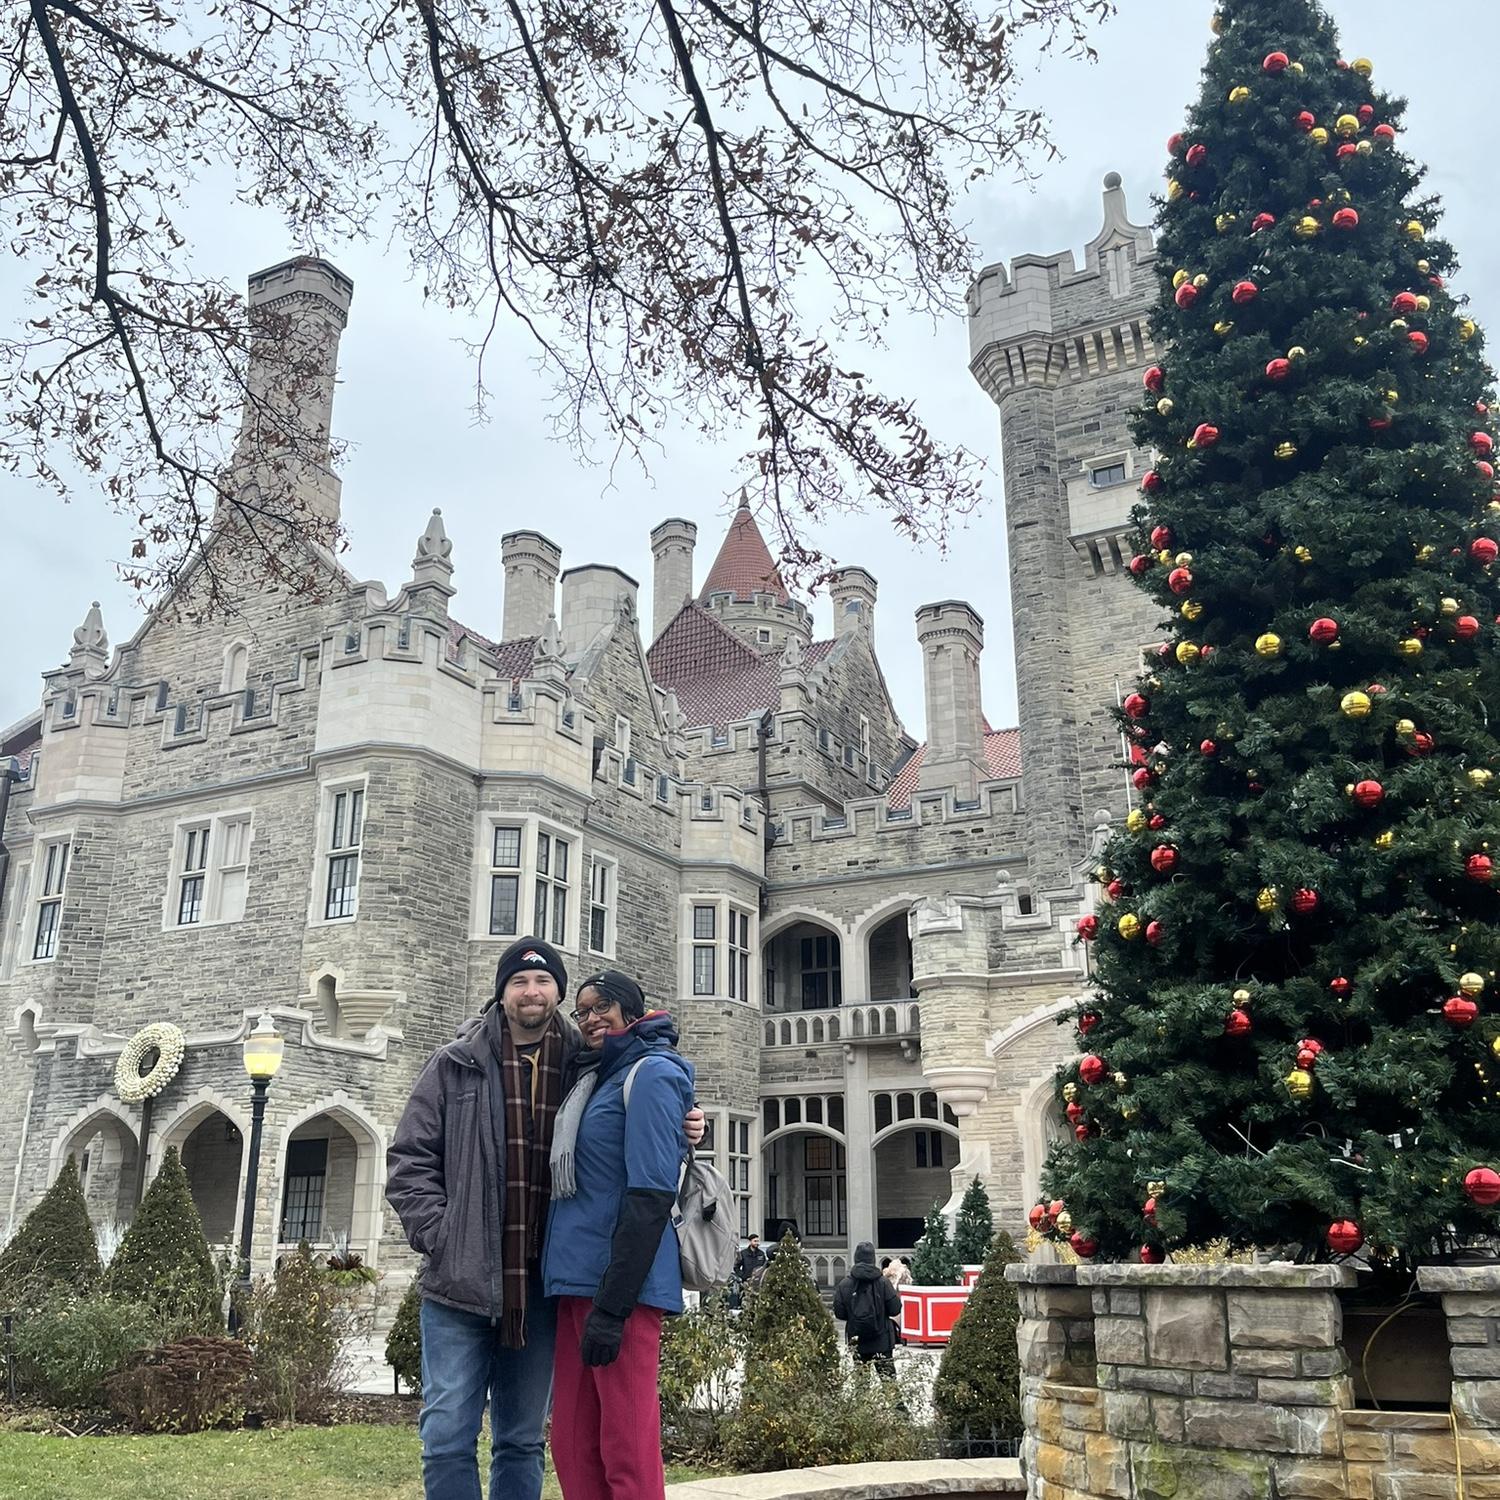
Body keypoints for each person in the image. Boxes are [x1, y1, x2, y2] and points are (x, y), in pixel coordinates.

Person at [385, 939, 702, 1500]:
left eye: (544, 983)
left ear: (556, 993)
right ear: (502, 992)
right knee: (447, 1434)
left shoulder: (587, 1063)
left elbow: (644, 1124)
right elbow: (409, 1160)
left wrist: (690, 1124)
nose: (532, 992)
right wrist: (440, 1236)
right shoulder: (455, 1062)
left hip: (542, 1284)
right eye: (518, 982)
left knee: (524, 1439)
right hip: (461, 1279)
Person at [545, 970, 695, 1500]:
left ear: (631, 1010)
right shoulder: (596, 1076)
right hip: (574, 1282)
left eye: (601, 1005)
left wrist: (613, 1306)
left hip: (619, 1290)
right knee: (573, 1444)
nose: (589, 1018)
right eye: (581, 1010)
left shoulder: (651, 1074)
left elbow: (651, 1194)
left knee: (625, 1449)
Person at [834, 1241, 903, 1378]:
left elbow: (839, 1313)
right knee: (889, 1383)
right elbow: (895, 1309)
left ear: (855, 1258)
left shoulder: (845, 1284)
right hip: (882, 1340)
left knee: (862, 1385)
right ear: (873, 1259)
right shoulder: (883, 1282)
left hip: (857, 1340)